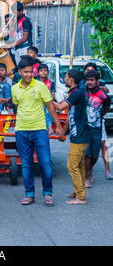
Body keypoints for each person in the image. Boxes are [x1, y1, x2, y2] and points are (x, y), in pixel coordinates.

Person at [11, 56, 64, 207]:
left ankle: (47, 193)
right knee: (26, 165)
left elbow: (50, 107)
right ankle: (29, 194)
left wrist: (58, 126)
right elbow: (17, 106)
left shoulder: (40, 86)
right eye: (25, 72)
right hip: (21, 131)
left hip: (40, 130)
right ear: (20, 72)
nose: (29, 74)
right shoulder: (14, 89)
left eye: (30, 72)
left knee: (45, 163)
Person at [53, 69, 91, 205]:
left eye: (66, 77)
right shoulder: (75, 93)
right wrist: (63, 130)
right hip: (79, 133)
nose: (65, 79)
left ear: (72, 79)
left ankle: (81, 197)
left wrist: (46, 97)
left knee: (72, 165)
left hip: (81, 134)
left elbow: (59, 107)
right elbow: (70, 115)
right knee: (79, 164)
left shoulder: (77, 93)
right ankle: (78, 190)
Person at [80, 62, 112, 179]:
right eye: (87, 79)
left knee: (100, 148)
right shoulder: (82, 90)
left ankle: (106, 171)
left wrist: (99, 115)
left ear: (97, 80)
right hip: (84, 128)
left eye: (92, 79)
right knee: (86, 153)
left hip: (98, 126)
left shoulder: (102, 94)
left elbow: (106, 105)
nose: (89, 82)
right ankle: (87, 175)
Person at [37, 64, 56, 134]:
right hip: (37, 103)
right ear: (38, 73)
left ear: (48, 72)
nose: (43, 72)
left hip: (48, 102)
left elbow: (53, 96)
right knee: (43, 106)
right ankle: (49, 127)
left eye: (45, 71)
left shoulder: (51, 83)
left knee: (48, 107)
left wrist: (46, 100)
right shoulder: (35, 82)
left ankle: (48, 126)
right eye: (41, 71)